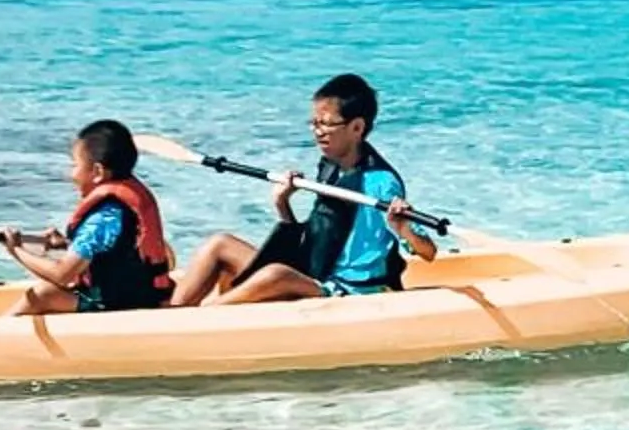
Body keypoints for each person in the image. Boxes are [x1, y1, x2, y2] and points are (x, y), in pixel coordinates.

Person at [168, 73, 437, 307]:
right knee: (220, 244)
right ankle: (170, 315)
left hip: (347, 291)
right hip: (313, 274)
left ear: (357, 127)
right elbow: (323, 238)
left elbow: (428, 252)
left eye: (327, 124)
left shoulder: (380, 183)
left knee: (275, 275)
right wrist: (283, 205)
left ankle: (202, 317)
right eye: (315, 123)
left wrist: (403, 228)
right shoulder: (331, 166)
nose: (318, 132)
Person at [0, 119, 175, 317]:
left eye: (75, 165)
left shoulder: (102, 218)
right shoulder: (123, 203)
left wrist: (16, 250)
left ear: (98, 172)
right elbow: (115, 250)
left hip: (119, 305)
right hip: (146, 296)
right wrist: (67, 244)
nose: (71, 174)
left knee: (42, 294)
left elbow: (62, 275)